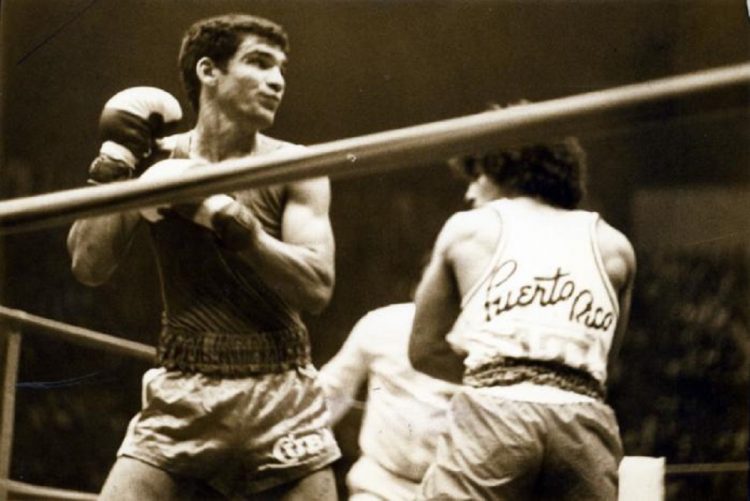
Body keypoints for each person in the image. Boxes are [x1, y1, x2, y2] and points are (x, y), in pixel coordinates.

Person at [67, 13, 340, 500]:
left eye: (281, 69)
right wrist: (115, 167)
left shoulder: (295, 164)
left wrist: (233, 223)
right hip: (182, 386)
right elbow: (89, 266)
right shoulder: (156, 161)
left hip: (282, 390)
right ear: (208, 71)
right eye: (259, 63)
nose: (277, 80)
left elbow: (317, 287)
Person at [408, 125, 636, 500]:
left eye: (477, 175)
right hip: (582, 421)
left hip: (494, 418)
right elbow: (605, 367)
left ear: (502, 169)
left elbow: (423, 349)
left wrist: (498, 374)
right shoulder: (615, 245)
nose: (470, 191)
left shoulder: (469, 229)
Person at [318, 298, 457, 500]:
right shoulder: (382, 323)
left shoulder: (491, 338)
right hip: (379, 485)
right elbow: (330, 393)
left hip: (455, 491)